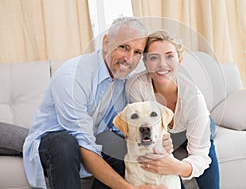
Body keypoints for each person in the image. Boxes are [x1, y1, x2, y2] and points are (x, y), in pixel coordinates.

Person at [23, 17, 169, 189]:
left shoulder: (125, 81)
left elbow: (127, 129)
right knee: (65, 143)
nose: (129, 59)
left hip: (92, 141)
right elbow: (84, 144)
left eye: (137, 52)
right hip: (54, 147)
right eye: (123, 47)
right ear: (106, 42)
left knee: (119, 145)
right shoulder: (72, 78)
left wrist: (161, 139)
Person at [126, 30, 220, 189]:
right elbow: (142, 131)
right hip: (165, 132)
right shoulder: (137, 87)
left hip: (190, 124)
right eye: (154, 57)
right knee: (160, 155)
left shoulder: (194, 98)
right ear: (146, 62)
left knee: (206, 145)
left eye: (169, 56)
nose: (162, 64)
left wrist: (177, 167)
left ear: (179, 59)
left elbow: (200, 156)